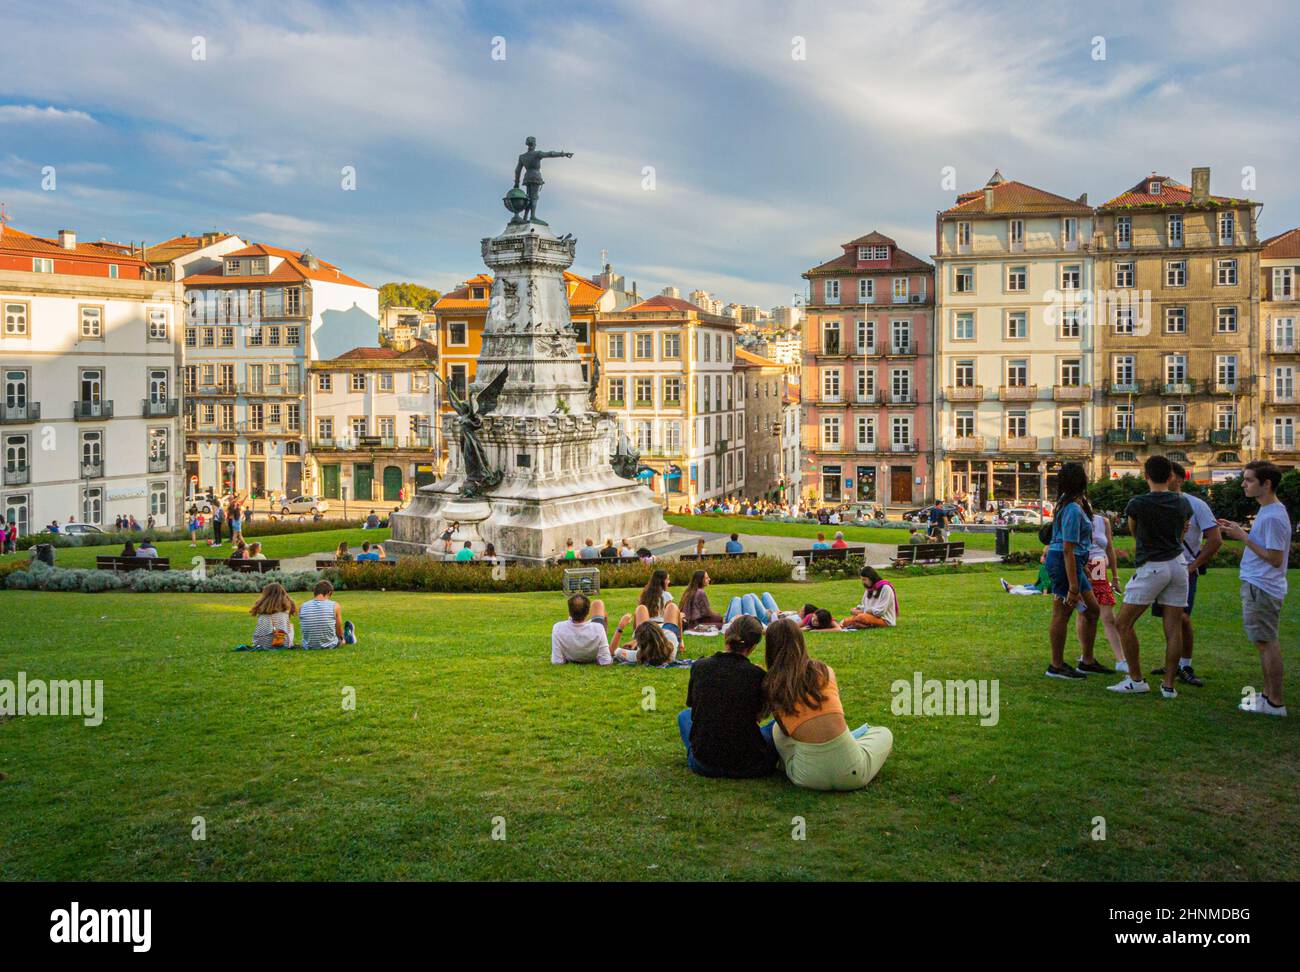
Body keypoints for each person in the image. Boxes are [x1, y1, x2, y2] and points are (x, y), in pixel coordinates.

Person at [762, 619, 892, 791]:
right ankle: (850, 743)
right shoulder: (823, 671)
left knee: (777, 730)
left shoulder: (770, 684)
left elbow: (786, 732)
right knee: (883, 733)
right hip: (852, 773)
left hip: (805, 777)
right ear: (800, 642)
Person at [1111, 455, 1192, 697]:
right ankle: (1169, 685)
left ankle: (1136, 679)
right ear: (1171, 477)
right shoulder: (1182, 503)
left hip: (1152, 566)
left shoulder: (1137, 503)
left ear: (1145, 475)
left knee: (1123, 623)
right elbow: (1183, 531)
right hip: (1178, 563)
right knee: (1173, 627)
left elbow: (1134, 531)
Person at [1217, 460, 1290, 716]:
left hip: (1262, 586)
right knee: (1264, 641)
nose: (1243, 484)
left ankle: (1275, 702)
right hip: (1259, 584)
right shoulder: (1269, 512)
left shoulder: (1273, 516)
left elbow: (1275, 557)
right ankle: (1269, 696)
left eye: (1249, 480)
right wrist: (1239, 530)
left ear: (1266, 484)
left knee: (1266, 642)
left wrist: (1243, 537)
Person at [678, 615, 778, 778]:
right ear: (753, 646)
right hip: (750, 764)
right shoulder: (757, 675)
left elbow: (694, 707)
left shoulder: (700, 667)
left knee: (684, 716)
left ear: (726, 636)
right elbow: (759, 715)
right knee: (776, 725)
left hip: (705, 762)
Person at [1150, 461, 1221, 688]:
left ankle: (1185, 664)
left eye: (1168, 476)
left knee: (1182, 617)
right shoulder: (1157, 502)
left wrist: (1193, 566)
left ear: (1178, 479)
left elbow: (1215, 539)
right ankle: (1173, 662)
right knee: (1169, 617)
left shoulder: (1195, 505)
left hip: (1184, 568)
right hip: (1162, 567)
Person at [1043, 462, 1109, 680]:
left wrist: (1083, 569)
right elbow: (1067, 549)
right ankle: (1056, 665)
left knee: (1092, 611)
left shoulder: (1071, 504)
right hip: (1063, 563)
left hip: (1072, 563)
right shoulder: (1071, 508)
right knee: (1062, 612)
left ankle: (1087, 661)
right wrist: (1073, 586)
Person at [1082, 508, 1127, 672]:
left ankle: (1121, 659)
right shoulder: (1074, 518)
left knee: (1107, 615)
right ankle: (1086, 655)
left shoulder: (1102, 522)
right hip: (1083, 568)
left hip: (1099, 569)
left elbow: (1110, 549)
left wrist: (1115, 578)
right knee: (1085, 614)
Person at [550, 593, 611, 665]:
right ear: (588, 612)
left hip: (571, 651)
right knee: (598, 604)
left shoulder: (558, 628)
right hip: (593, 653)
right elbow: (605, 661)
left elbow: (557, 661)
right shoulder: (598, 628)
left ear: (569, 612)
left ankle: (576, 617)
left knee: (598, 605)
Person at [250, 582, 297, 649]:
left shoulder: (261, 607)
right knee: (290, 626)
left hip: (259, 643)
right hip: (280, 642)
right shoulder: (286, 608)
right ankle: (290, 643)